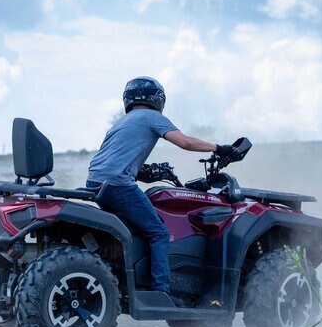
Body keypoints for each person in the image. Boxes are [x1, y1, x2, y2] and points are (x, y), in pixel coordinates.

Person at [86, 76, 237, 305]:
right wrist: (219, 148)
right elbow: (185, 142)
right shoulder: (153, 117)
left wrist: (144, 171)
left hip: (96, 183)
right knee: (159, 233)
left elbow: (114, 158)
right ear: (157, 99)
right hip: (118, 184)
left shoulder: (121, 122)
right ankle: (161, 292)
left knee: (135, 229)